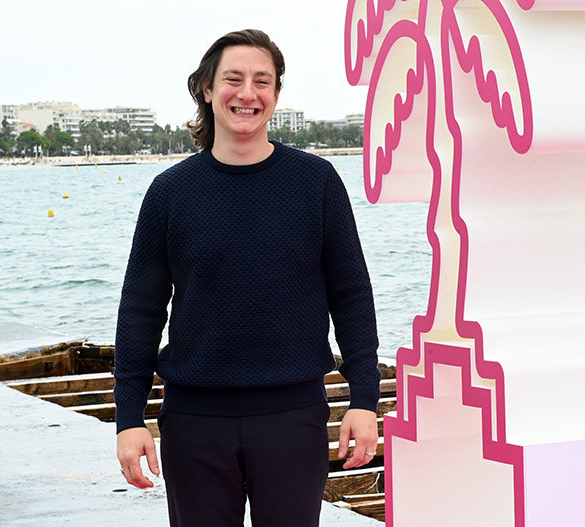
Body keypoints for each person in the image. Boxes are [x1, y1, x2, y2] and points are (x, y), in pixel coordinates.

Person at [114, 28, 381, 527]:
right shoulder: (170, 192)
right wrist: (128, 418)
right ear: (207, 89)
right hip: (194, 422)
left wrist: (364, 400)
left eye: (262, 81)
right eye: (233, 79)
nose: (248, 93)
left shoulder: (316, 182)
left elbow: (351, 295)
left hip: (293, 417)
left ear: (276, 95)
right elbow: (140, 310)